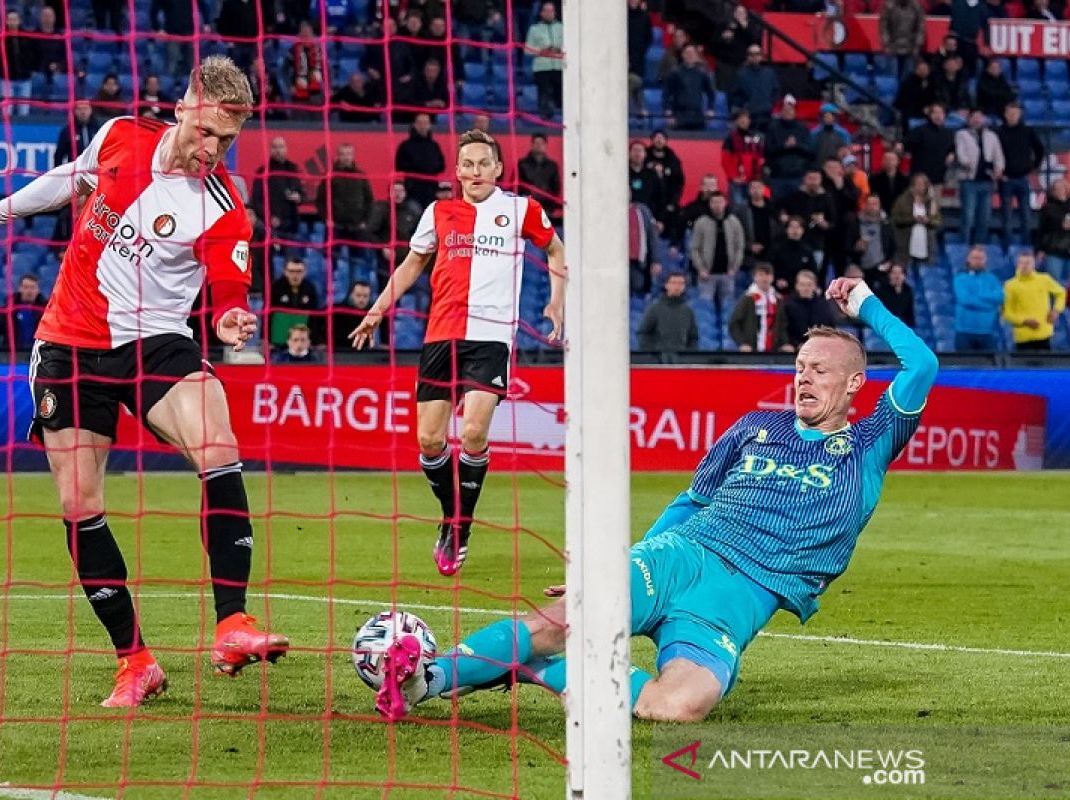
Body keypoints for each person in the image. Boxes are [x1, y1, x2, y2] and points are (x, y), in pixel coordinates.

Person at [371, 276, 939, 723]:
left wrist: (863, 301)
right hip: (682, 553)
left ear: (856, 384)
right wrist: (623, 566)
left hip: (738, 598)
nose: (804, 378)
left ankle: (552, 672)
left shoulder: (870, 441)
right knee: (567, 618)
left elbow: (923, 364)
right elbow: (692, 501)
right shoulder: (753, 427)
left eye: (819, 369)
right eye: (798, 367)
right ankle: (428, 680)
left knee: (678, 707)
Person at [0, 56, 288, 709]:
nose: (212, 151)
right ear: (186, 106)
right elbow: (64, 181)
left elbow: (228, 284)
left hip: (157, 340)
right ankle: (135, 661)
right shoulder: (119, 136)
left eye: (226, 141)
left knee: (218, 444)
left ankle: (232, 623)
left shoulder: (222, 204)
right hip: (70, 344)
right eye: (207, 133)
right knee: (80, 505)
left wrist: (235, 314)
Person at [350, 129, 566, 576]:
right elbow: (413, 263)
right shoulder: (438, 211)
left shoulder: (520, 209)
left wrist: (555, 300)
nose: (475, 171)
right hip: (440, 334)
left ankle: (461, 524)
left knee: (472, 433)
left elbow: (556, 249)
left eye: (483, 163)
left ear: (499, 168)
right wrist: (377, 310)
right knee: (429, 440)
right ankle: (452, 515)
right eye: (467, 164)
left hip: (491, 337)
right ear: (457, 171)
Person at [996, 103, 1044, 249]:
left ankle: (1026, 246)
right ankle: (1007, 247)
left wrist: (1034, 166)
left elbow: (1039, 149)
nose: (1012, 116)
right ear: (1005, 114)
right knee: (1007, 216)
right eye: (1010, 113)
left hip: (1023, 178)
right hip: (1006, 179)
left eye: (1015, 113)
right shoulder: (998, 132)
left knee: (1026, 215)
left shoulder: (1028, 131)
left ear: (1020, 114)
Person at [954, 109, 1005, 247]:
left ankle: (980, 247)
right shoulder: (961, 134)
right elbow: (961, 153)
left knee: (984, 217)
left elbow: (998, 155)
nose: (977, 120)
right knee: (968, 216)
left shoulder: (992, 136)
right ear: (969, 119)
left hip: (987, 182)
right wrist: (968, 163)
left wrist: (998, 170)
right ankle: (963, 245)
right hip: (969, 180)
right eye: (974, 117)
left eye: (979, 117)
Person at [1003, 252, 1066, 351]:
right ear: (1017, 264)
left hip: (1044, 335)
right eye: (1022, 263)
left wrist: (1056, 311)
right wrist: (1025, 321)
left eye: (1028, 262)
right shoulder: (1010, 285)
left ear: (1034, 264)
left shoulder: (1044, 279)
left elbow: (1061, 293)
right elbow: (1007, 313)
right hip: (1022, 338)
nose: (1025, 266)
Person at [690, 192, 745, 305]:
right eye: (714, 202)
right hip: (707, 275)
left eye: (720, 202)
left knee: (727, 307)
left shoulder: (734, 222)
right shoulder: (701, 223)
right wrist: (701, 269)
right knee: (705, 307)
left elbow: (739, 247)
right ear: (709, 204)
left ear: (725, 203)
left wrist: (734, 267)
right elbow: (695, 248)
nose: (717, 205)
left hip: (727, 274)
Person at [636, 272, 698, 361]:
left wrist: (688, 356)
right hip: (658, 362)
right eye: (673, 283)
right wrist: (653, 355)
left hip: (681, 362)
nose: (677, 287)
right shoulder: (654, 309)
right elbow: (643, 334)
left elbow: (693, 337)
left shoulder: (688, 311)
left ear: (684, 287)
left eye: (680, 283)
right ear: (666, 285)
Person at [953, 245, 1003, 351]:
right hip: (964, 333)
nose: (977, 261)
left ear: (985, 260)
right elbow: (965, 300)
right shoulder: (960, 279)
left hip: (987, 333)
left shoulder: (992, 279)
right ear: (968, 259)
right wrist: (989, 306)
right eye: (975, 258)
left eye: (980, 258)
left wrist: (976, 296)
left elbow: (999, 297)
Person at [774, 269, 836, 350]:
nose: (806, 288)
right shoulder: (787, 305)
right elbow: (782, 329)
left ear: (815, 286)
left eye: (809, 285)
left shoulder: (823, 305)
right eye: (802, 285)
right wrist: (795, 344)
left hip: (819, 346)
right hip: (794, 347)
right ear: (796, 286)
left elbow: (830, 327)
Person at [891, 174, 942, 270]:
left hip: (927, 244)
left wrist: (928, 220)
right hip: (905, 244)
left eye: (923, 184)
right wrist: (912, 219)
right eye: (918, 184)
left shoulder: (931, 202)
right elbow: (895, 218)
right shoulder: (902, 200)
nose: (920, 186)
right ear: (912, 185)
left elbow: (937, 221)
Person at [524, 2, 564, 117]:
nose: (549, 13)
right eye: (546, 11)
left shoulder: (562, 27)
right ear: (541, 13)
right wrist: (542, 51)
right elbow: (528, 50)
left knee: (561, 96)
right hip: (542, 68)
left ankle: (562, 119)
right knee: (544, 95)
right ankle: (545, 120)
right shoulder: (534, 29)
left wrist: (559, 49)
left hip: (559, 66)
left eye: (551, 11)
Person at [728, 263, 780, 352]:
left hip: (774, 350)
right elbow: (734, 323)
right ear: (754, 277)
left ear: (772, 277)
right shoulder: (748, 298)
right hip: (752, 349)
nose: (764, 278)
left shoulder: (777, 299)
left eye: (768, 275)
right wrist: (742, 343)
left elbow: (782, 324)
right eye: (761, 275)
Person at [0, 273, 46, 350]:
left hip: (38, 355)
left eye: (33, 287)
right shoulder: (7, 310)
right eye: (26, 287)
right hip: (13, 354)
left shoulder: (46, 311)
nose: (29, 291)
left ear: (38, 290)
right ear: (20, 289)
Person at [1038, 178, 1070, 285]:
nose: (1059, 190)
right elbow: (1042, 230)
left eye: (1061, 188)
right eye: (1056, 189)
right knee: (1053, 285)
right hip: (1053, 251)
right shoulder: (1048, 208)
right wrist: (1040, 249)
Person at [873, 262, 915, 328]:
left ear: (904, 276)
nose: (897, 276)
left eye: (900, 273)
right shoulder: (881, 290)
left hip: (902, 326)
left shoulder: (908, 291)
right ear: (889, 275)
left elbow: (910, 314)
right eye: (894, 273)